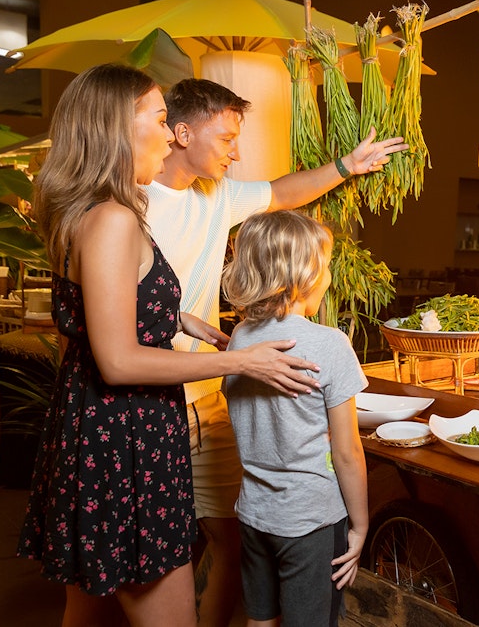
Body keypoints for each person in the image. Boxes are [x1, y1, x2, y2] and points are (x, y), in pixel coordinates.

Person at [16, 64, 303, 627]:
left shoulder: (91, 212)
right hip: (127, 440)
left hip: (94, 431)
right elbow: (118, 361)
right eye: (160, 117)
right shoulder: (115, 219)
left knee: (89, 608)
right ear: (119, 128)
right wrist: (243, 360)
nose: (172, 131)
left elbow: (107, 304)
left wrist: (182, 319)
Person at [144, 77, 404, 626]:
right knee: (146, 551)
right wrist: (360, 522)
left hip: (210, 394)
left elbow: (283, 193)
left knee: (231, 538)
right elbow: (346, 451)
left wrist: (347, 165)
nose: (235, 152)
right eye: (226, 139)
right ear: (181, 132)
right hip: (147, 399)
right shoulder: (131, 205)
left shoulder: (218, 197)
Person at [221, 210, 368, 627]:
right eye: (325, 266)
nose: (327, 277)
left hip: (253, 513)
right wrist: (360, 525)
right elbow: (347, 452)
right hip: (310, 521)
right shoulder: (330, 345)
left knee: (260, 619)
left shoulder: (241, 338)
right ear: (305, 274)